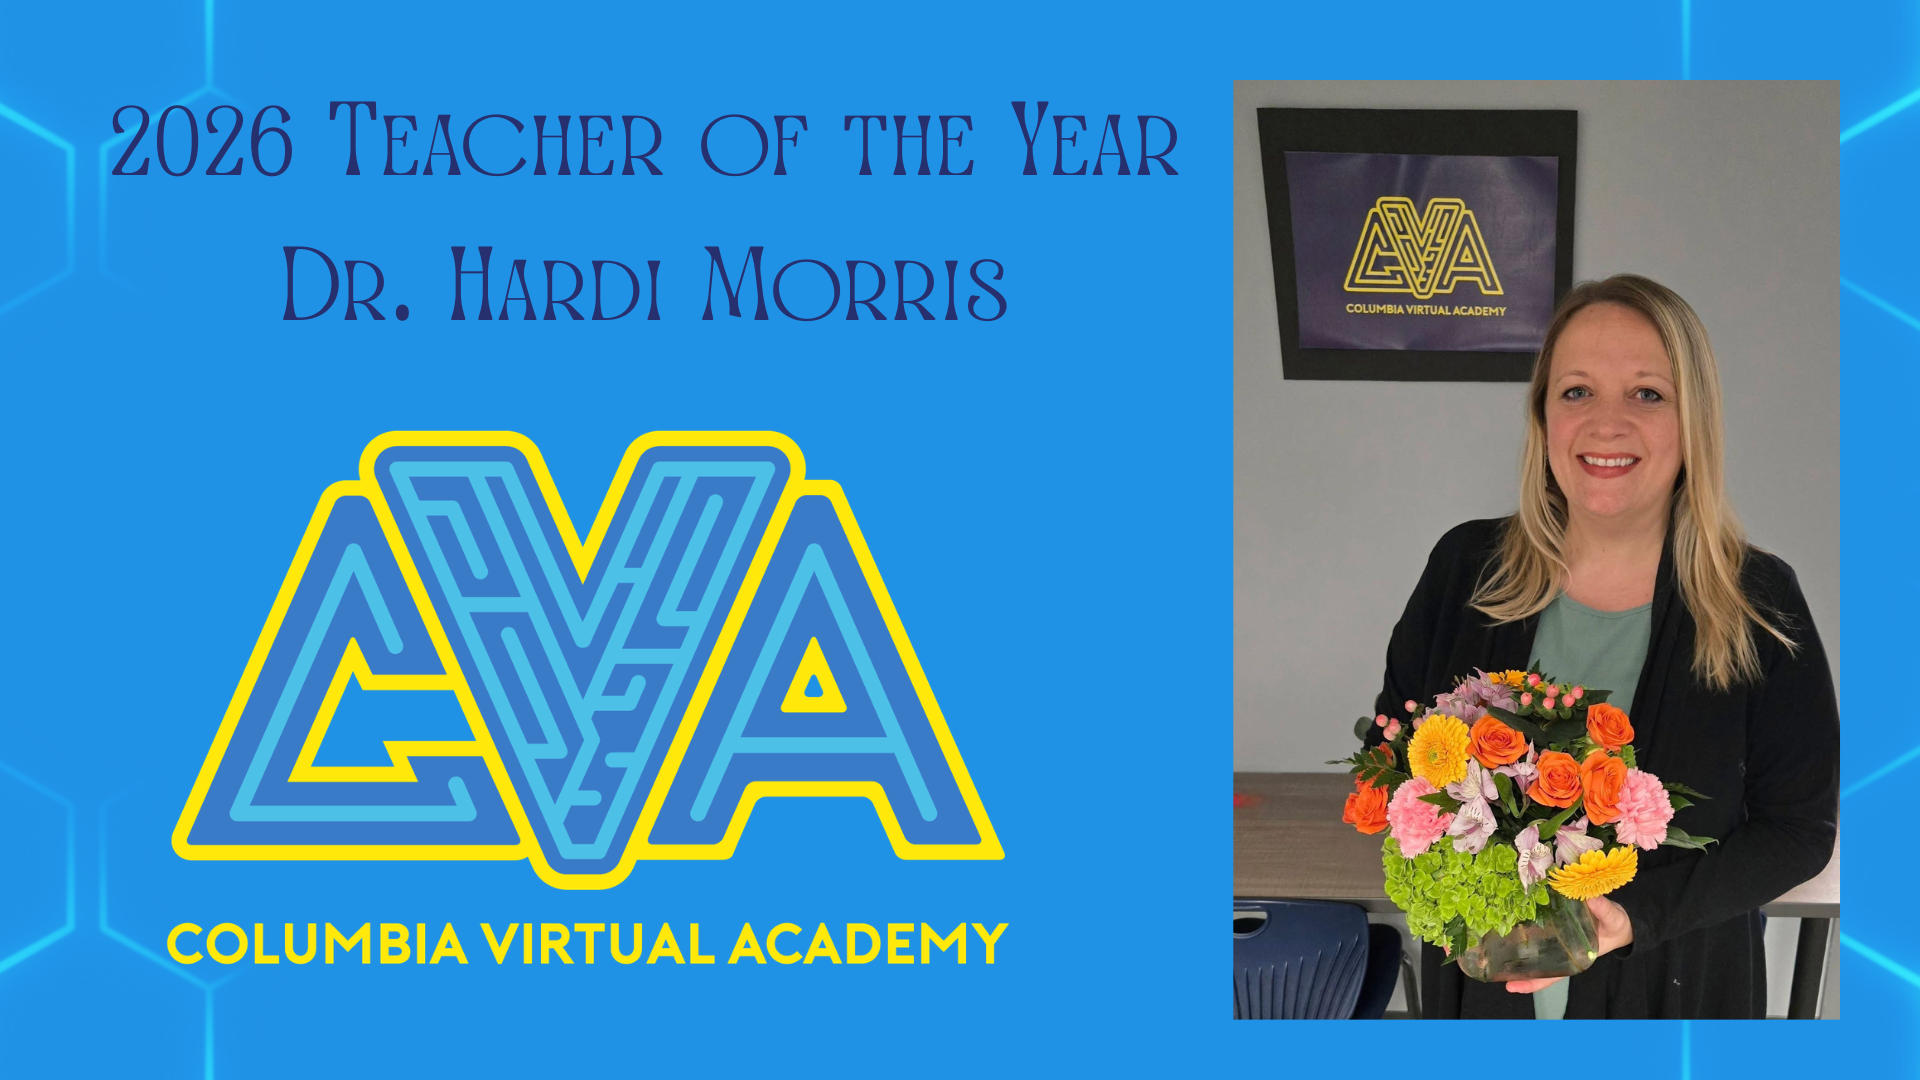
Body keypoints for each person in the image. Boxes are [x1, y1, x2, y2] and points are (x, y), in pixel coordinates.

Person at [1372, 274, 1838, 1019]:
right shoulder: (1465, 571)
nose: (1606, 424)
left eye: (1647, 394)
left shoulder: (1758, 602)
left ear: (1695, 420)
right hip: (1482, 1001)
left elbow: (1798, 830)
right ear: (1543, 416)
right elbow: (1399, 769)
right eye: (1577, 392)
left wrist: (1636, 915)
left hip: (1674, 995)